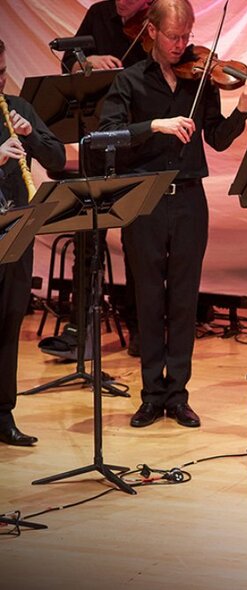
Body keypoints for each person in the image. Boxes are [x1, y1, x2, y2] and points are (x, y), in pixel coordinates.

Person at [98, 0, 247, 428]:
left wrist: (244, 108)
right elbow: (108, 136)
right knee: (149, 297)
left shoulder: (201, 81)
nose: (182, 45)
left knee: (183, 298)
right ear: (152, 31)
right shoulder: (130, 80)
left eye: (187, 36)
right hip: (145, 198)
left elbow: (218, 138)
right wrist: (155, 125)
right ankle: (151, 394)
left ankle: (177, 394)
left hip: (190, 198)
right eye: (173, 36)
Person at [44, 0, 152, 360]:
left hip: (138, 147)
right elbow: (68, 61)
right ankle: (80, 329)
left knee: (140, 245)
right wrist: (86, 62)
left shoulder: (156, 19)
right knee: (89, 240)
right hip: (97, 141)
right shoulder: (99, 14)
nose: (122, 2)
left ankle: (141, 327)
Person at [0, 37, 66, 445]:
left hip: (16, 232)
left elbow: (58, 159)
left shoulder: (17, 108)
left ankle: (3, 414)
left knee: (9, 326)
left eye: (2, 73)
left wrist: (33, 138)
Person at [61, 0, 151, 73]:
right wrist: (86, 64)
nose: (121, 3)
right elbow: (69, 61)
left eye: (130, 0)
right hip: (95, 90)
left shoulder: (155, 25)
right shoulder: (99, 11)